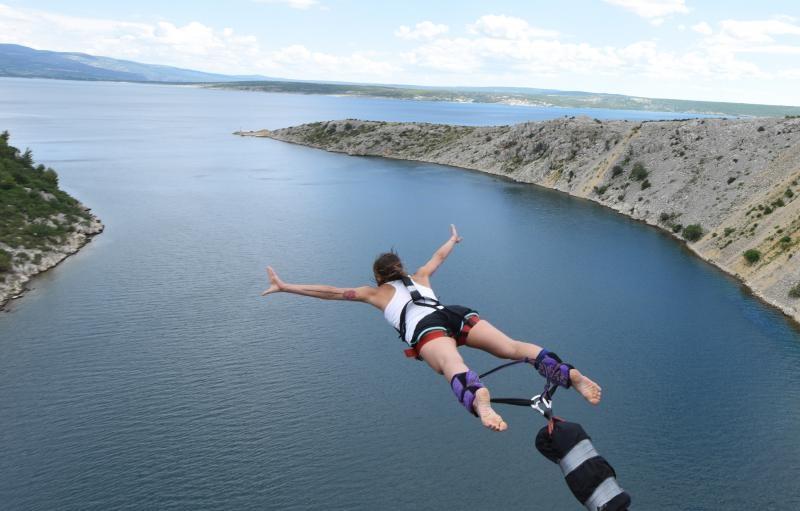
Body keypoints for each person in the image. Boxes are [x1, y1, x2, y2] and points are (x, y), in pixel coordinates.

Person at [262, 225, 601, 432]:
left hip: (424, 327)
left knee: (453, 366)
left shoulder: (375, 293)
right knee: (513, 348)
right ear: (402, 269)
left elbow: (331, 293)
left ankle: (480, 401)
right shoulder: (420, 276)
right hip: (453, 313)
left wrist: (286, 286)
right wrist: (453, 239)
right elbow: (439, 257)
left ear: (379, 276)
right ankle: (569, 374)